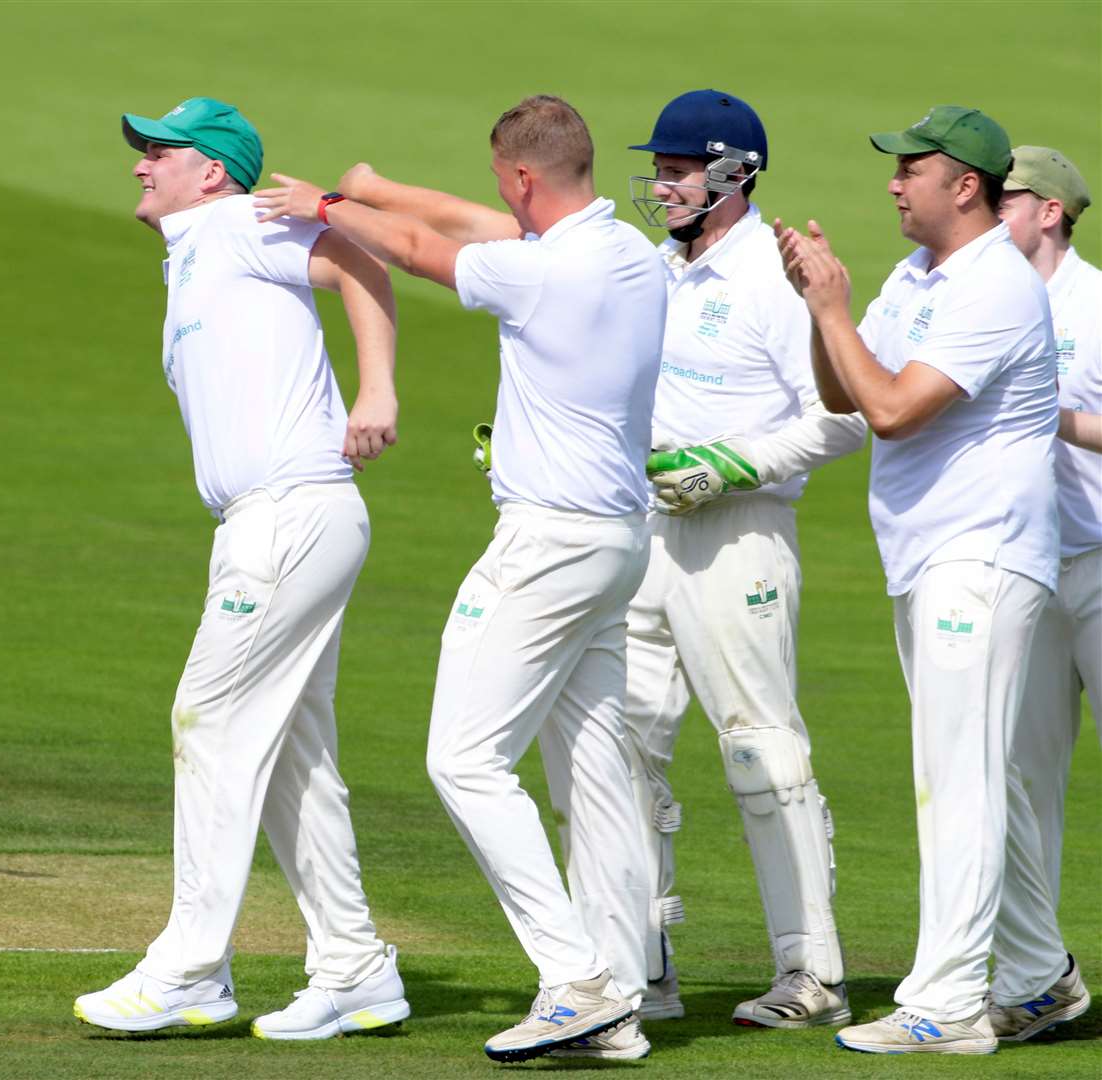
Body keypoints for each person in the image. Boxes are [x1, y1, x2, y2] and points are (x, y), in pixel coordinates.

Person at [257, 94, 663, 1062]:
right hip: (617, 543)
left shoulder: (536, 276)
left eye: (501, 182)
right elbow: (470, 227)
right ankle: (618, 996)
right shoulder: (626, 256)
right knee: (596, 769)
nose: (497, 200)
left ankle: (575, 982)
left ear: (523, 177)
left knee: (463, 759)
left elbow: (410, 250)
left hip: (547, 545)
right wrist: (378, 190)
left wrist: (320, 201)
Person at [72, 97, 409, 1041]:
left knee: (210, 714)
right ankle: (355, 969)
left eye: (159, 152)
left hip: (290, 515)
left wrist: (376, 389)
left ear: (211, 171)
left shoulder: (235, 222)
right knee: (295, 751)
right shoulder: (195, 252)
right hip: (267, 522)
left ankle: (191, 970)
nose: (141, 164)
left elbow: (361, 259)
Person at [776, 105, 1078, 1054]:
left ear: (968, 187)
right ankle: (1038, 977)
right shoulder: (916, 277)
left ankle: (947, 1006)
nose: (895, 179)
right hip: (928, 555)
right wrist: (814, 303)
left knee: (958, 782)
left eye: (914, 166)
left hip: (981, 553)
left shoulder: (995, 284)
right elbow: (844, 394)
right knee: (974, 771)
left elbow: (899, 409)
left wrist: (831, 309)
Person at [566, 89, 861, 1029]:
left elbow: (847, 416)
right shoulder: (655, 271)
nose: (660, 185)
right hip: (645, 536)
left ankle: (812, 973)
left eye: (677, 169)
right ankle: (638, 966)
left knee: (758, 748)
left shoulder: (776, 284)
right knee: (620, 749)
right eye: (658, 169)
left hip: (740, 537)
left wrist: (733, 464)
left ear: (734, 174)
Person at [990, 144, 1097, 1042]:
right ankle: (1037, 976)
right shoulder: (985, 294)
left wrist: (1047, 412)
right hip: (1025, 566)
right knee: (1021, 784)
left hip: (1101, 564)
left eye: (1006, 195)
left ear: (1050, 212)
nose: (989, 205)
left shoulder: (1094, 303)